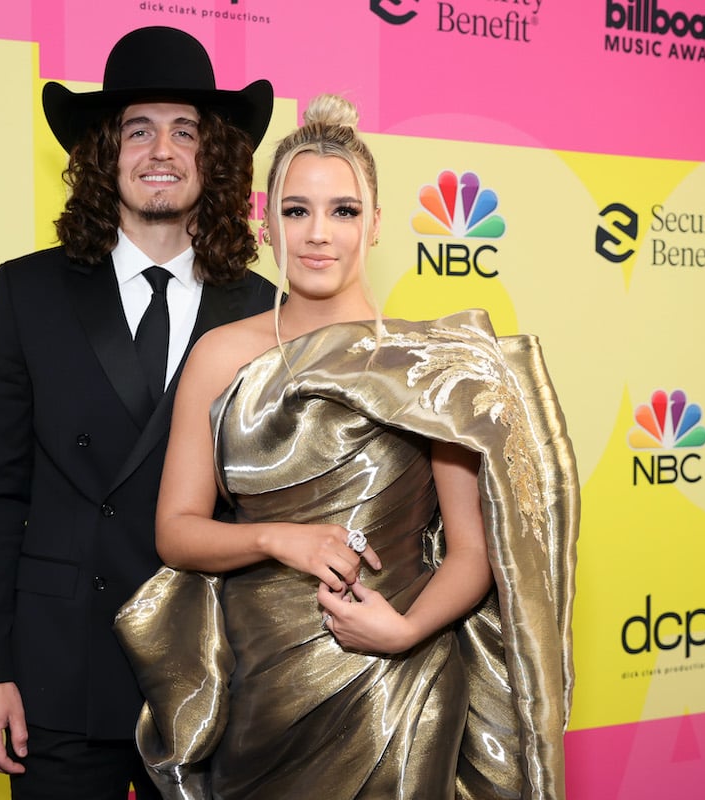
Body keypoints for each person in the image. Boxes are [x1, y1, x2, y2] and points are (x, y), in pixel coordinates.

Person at [115, 94, 579, 799]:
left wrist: (405, 630)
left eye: (344, 211)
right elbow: (176, 534)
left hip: (401, 686)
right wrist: (279, 540)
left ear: (377, 223)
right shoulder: (219, 356)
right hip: (260, 688)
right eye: (296, 211)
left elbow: (475, 554)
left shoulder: (429, 366)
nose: (318, 234)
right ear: (264, 223)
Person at [0, 26, 277, 800]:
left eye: (184, 130)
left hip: (212, 671)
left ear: (215, 156)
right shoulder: (27, 293)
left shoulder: (265, 310)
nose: (160, 149)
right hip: (59, 676)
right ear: (106, 151)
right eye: (138, 128)